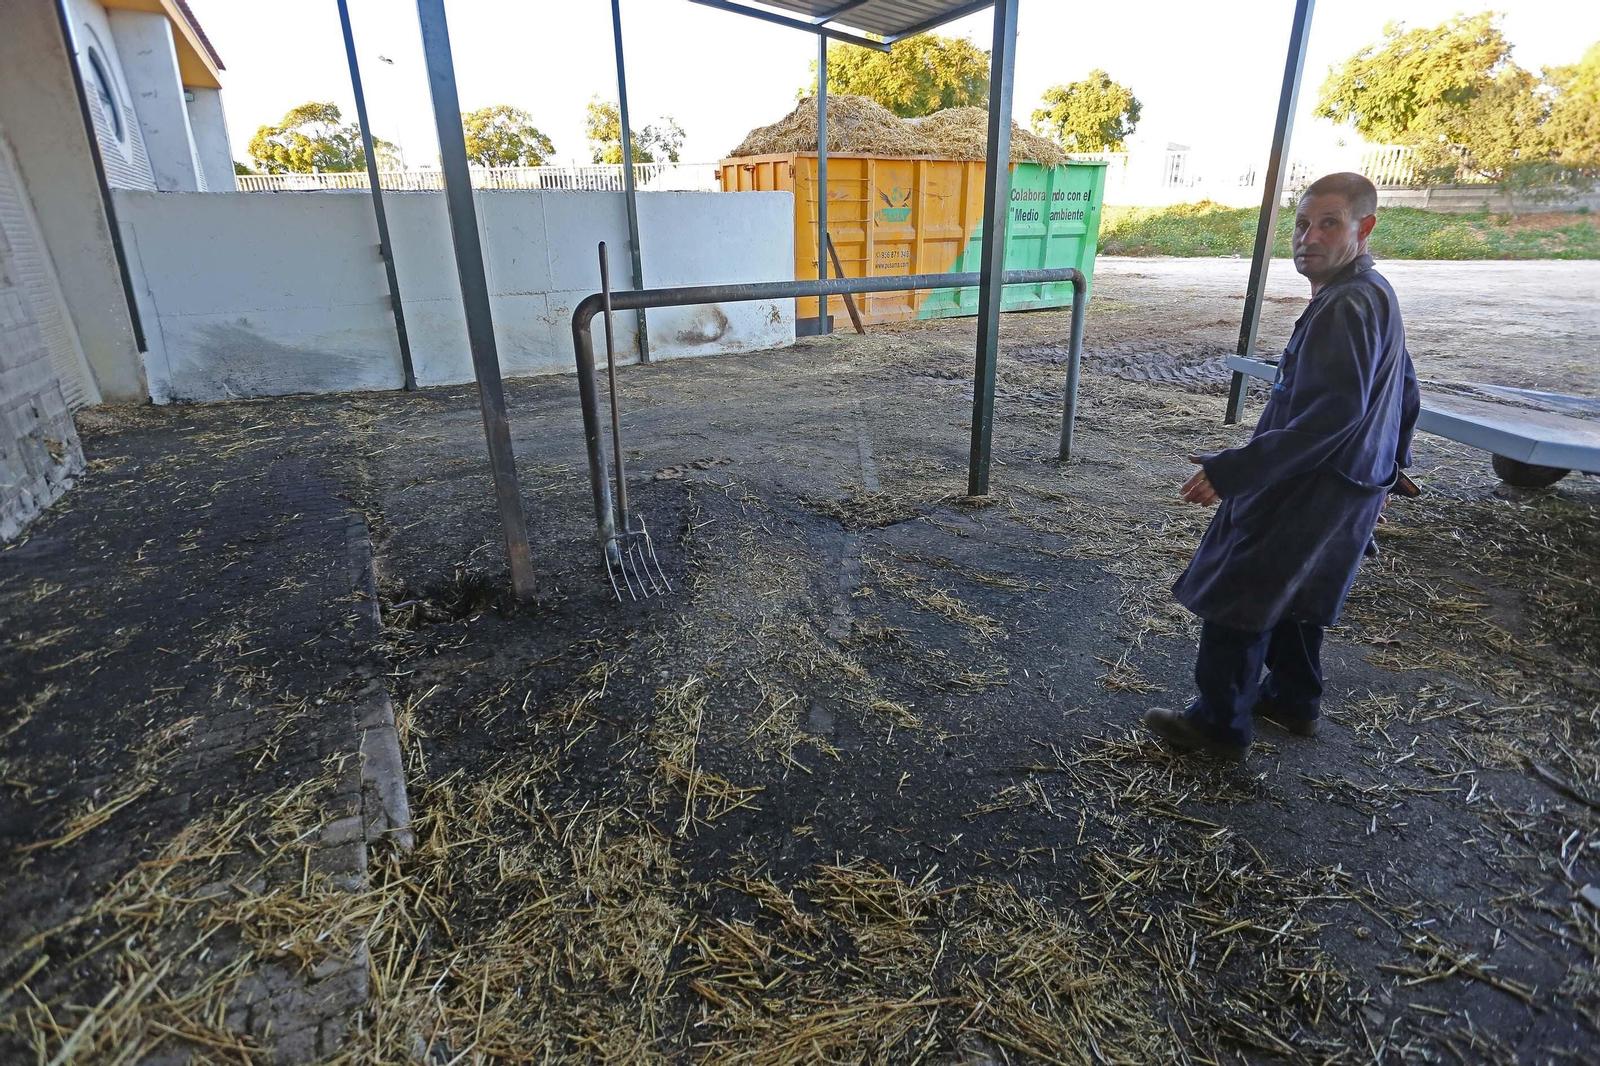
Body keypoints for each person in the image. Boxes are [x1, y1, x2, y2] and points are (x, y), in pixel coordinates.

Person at [1145, 172, 1420, 761]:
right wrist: (1394, 465)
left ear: (1364, 228)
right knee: (1296, 594)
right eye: (1301, 225)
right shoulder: (1371, 293)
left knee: (1241, 593)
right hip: (1349, 485)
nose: (1308, 238)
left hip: (1312, 486)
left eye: (1329, 224)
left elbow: (1331, 417)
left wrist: (1235, 470)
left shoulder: (1347, 305)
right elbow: (1404, 385)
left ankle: (1218, 727)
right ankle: (1294, 701)